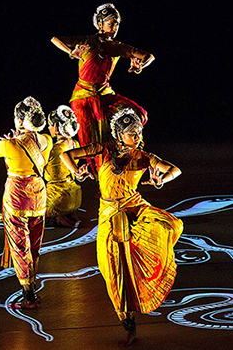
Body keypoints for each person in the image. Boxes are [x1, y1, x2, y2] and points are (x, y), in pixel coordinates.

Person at [60, 108, 183, 346]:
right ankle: (128, 324)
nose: (137, 136)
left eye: (138, 132)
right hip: (108, 215)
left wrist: (161, 180)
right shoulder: (102, 149)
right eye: (132, 132)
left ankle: (132, 324)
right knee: (111, 273)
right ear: (119, 134)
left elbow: (174, 170)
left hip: (133, 210)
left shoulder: (143, 155)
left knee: (165, 230)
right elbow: (68, 154)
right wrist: (77, 172)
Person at [51, 3, 155, 174]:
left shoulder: (117, 46)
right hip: (82, 96)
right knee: (89, 140)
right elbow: (55, 39)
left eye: (117, 24)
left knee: (139, 113)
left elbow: (148, 56)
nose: (115, 27)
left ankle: (131, 156)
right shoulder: (86, 41)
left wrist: (140, 66)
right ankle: (94, 174)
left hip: (105, 93)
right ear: (100, 23)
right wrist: (71, 52)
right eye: (111, 23)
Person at [0, 96, 53, 309]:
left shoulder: (8, 144)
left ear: (21, 121)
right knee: (34, 243)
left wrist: (11, 142)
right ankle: (31, 284)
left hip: (17, 199)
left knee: (20, 246)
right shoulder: (47, 140)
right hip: (39, 196)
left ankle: (29, 295)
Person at [44, 105, 83, 228]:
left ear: (56, 127)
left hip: (58, 198)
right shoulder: (75, 144)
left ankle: (57, 218)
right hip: (75, 196)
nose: (49, 128)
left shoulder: (54, 149)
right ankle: (67, 215)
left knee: (24, 212)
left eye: (50, 125)